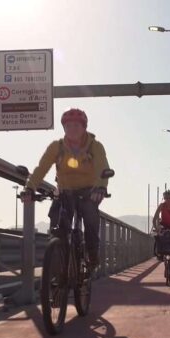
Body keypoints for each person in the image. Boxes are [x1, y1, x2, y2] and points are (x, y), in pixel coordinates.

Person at [22, 108, 110, 276]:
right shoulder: (56, 147)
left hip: (88, 191)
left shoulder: (95, 146)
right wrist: (30, 188)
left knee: (90, 217)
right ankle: (57, 264)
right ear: (64, 128)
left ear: (84, 127)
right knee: (56, 220)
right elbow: (41, 169)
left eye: (76, 125)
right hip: (64, 191)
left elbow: (102, 168)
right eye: (68, 126)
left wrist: (101, 187)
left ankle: (92, 254)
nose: (72, 129)